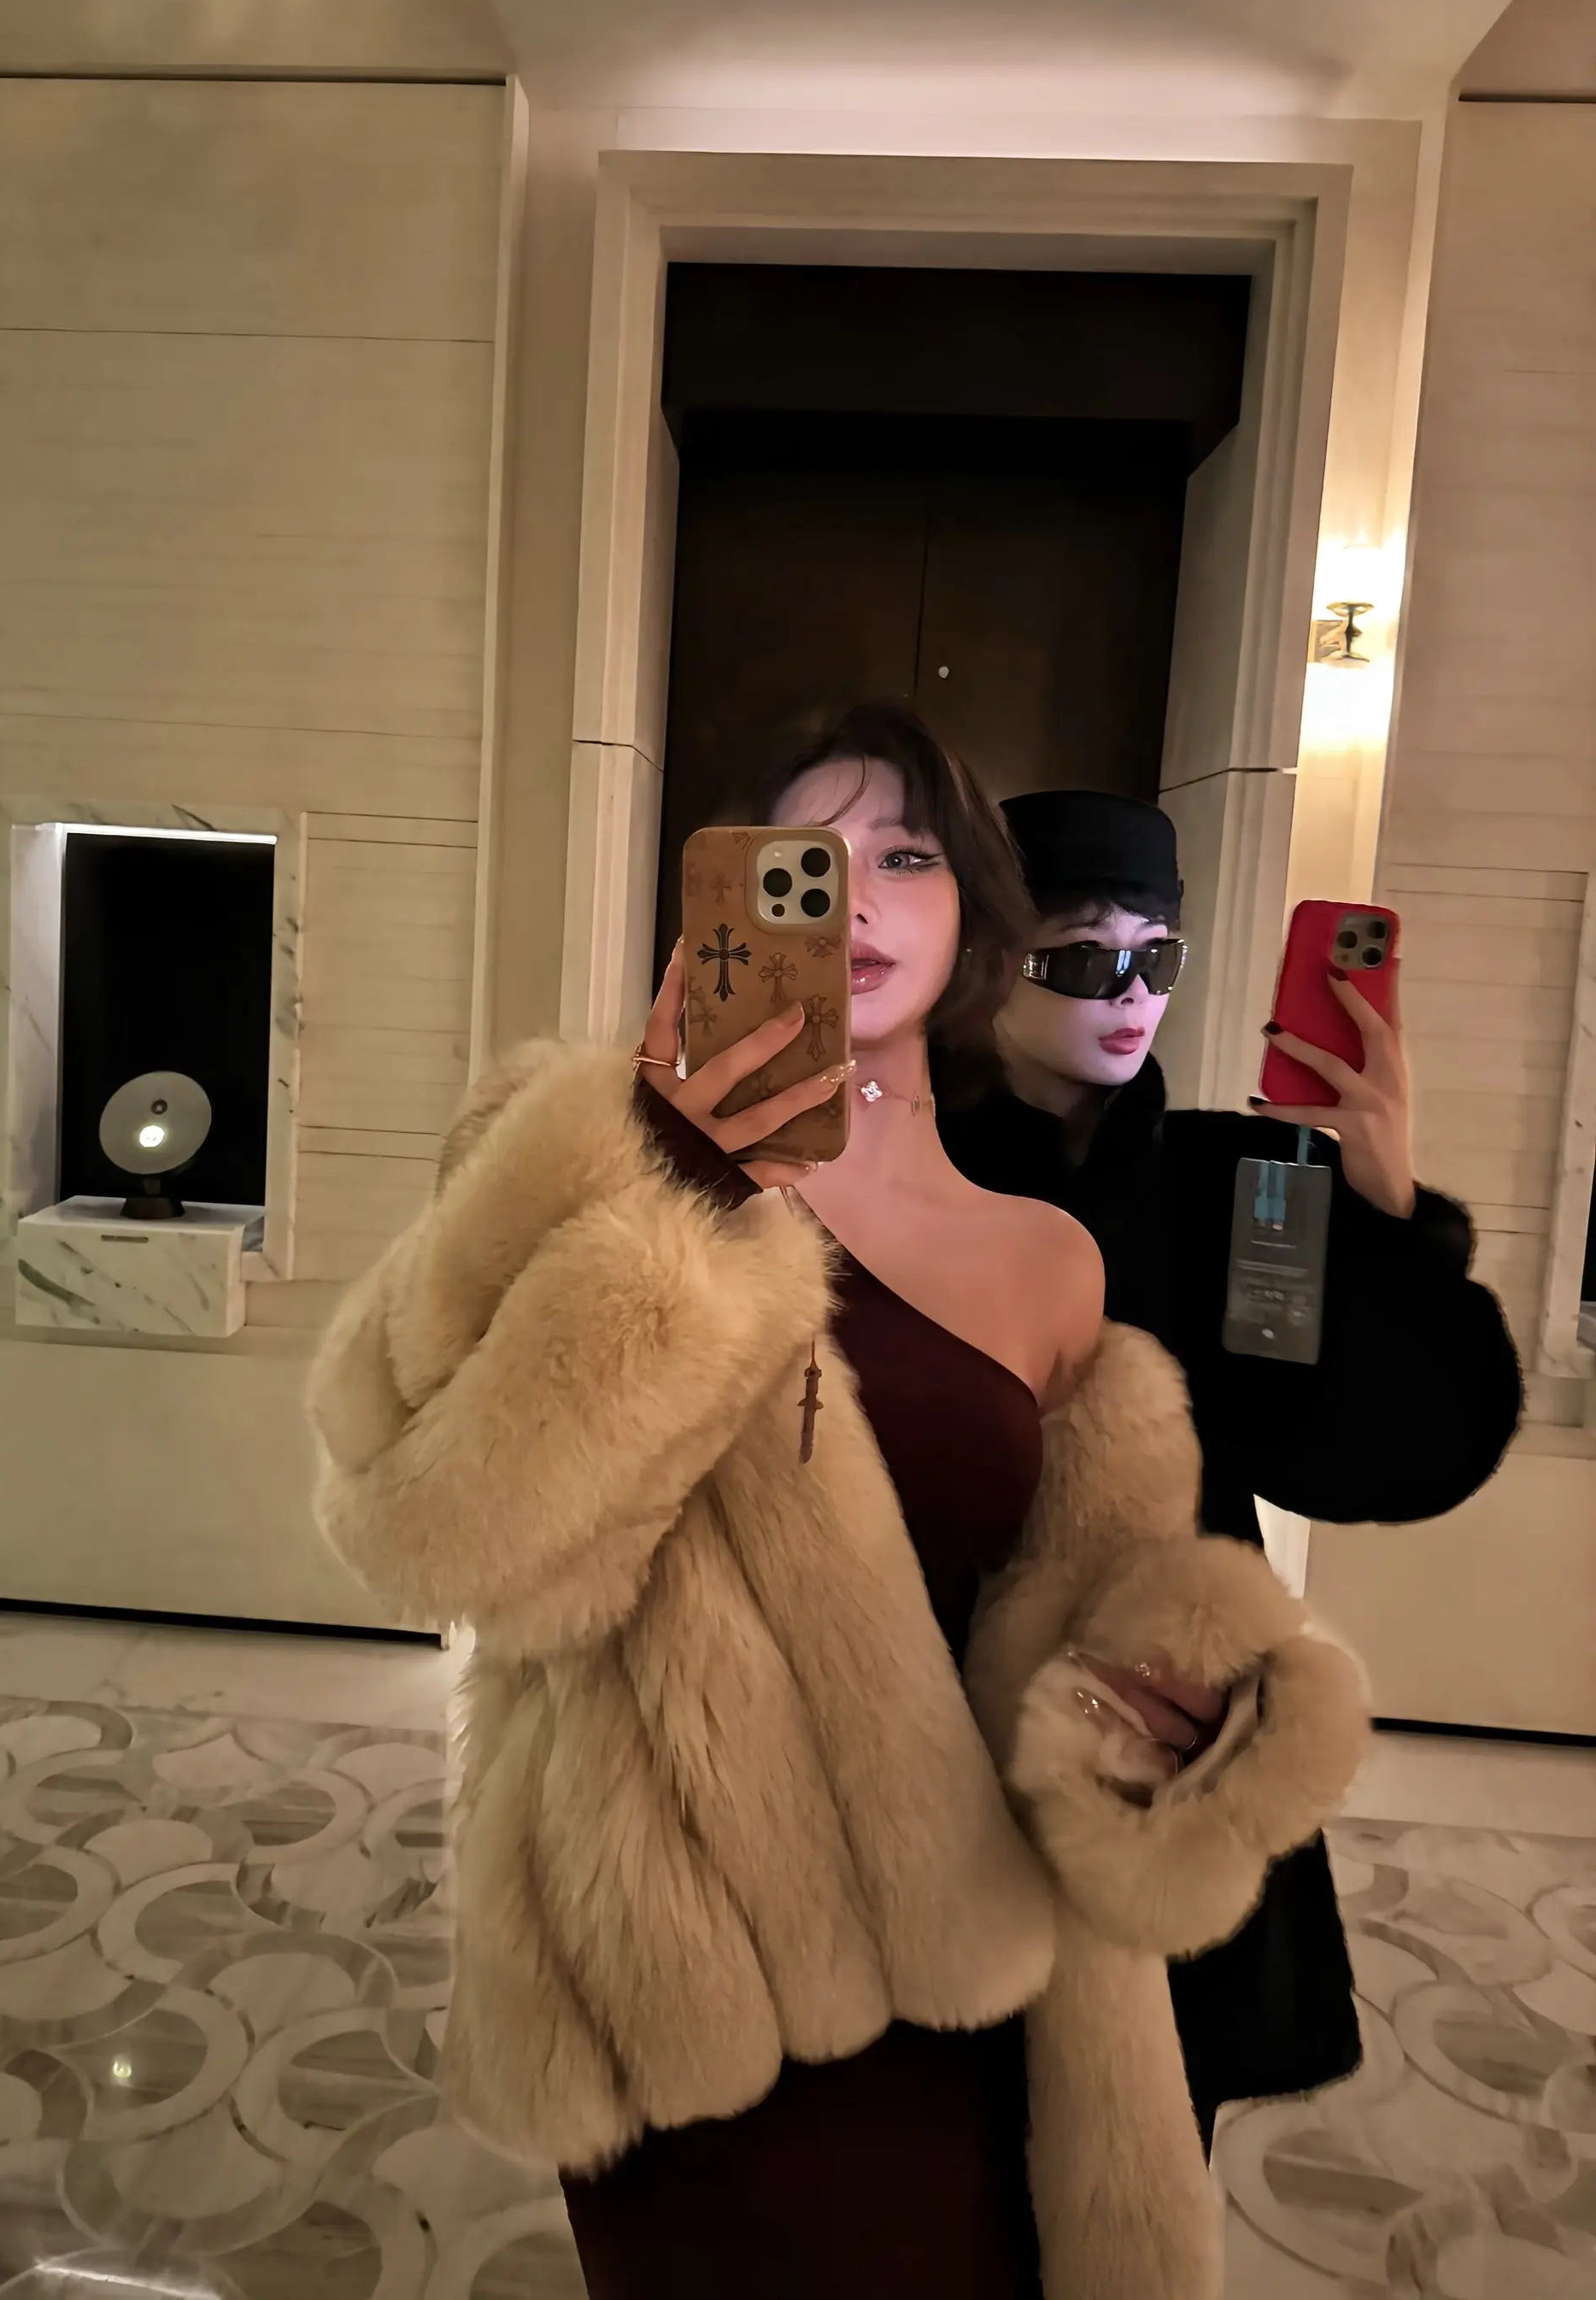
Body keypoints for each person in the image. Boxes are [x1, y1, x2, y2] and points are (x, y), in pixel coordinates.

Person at [308, 707, 1369, 2300]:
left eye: (908, 856)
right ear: (726, 897)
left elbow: (1076, 1646)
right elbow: (427, 1523)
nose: (855, 895)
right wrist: (672, 1189)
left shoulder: (1043, 1259)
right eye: (805, 860)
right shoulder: (568, 1147)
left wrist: (1186, 1714)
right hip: (681, 1972)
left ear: (981, 922)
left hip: (970, 1971)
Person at [937, 785, 1524, 2147]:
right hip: (945, 1714)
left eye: (1159, 955)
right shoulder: (908, 1176)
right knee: (948, 2128)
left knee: (1140, 2134)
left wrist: (1391, 1215)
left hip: (1176, 1729)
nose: (1131, 995)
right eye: (1082, 958)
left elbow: (1374, 1458)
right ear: (986, 965)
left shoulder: (1242, 1182)